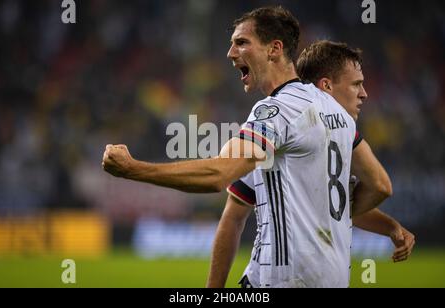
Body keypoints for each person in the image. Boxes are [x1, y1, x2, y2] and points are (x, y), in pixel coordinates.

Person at [103, 6, 359, 287]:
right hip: (332, 276)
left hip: (286, 279)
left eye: (242, 42)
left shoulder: (277, 110)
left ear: (274, 49)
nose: (230, 53)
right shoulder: (332, 110)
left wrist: (132, 169)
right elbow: (381, 185)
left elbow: (218, 175)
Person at [207, 40, 415, 288]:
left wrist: (389, 226)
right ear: (326, 86)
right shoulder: (285, 122)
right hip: (274, 279)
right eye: (356, 84)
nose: (364, 93)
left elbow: (331, 206)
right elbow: (380, 186)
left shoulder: (328, 130)